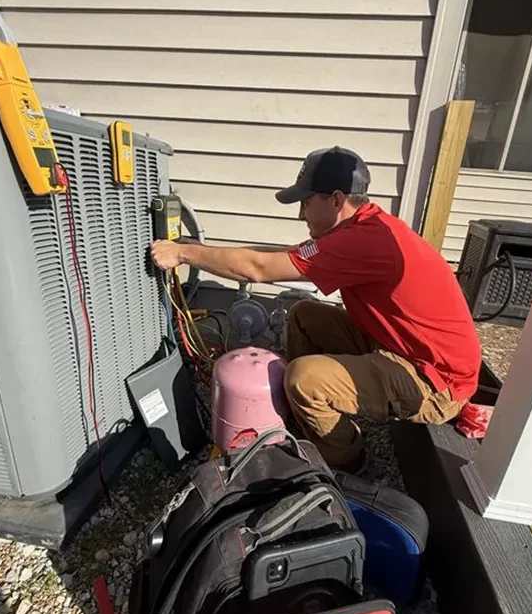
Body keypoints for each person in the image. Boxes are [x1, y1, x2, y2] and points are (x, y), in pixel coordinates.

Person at [151, 146, 481, 473]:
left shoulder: (367, 241)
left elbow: (258, 269)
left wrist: (184, 254)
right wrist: (200, 249)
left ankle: (347, 461)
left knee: (303, 378)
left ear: (336, 200)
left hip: (435, 383)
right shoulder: (361, 227)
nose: (300, 214)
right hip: (403, 349)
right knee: (305, 316)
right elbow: (274, 258)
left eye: (306, 202)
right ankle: (302, 414)